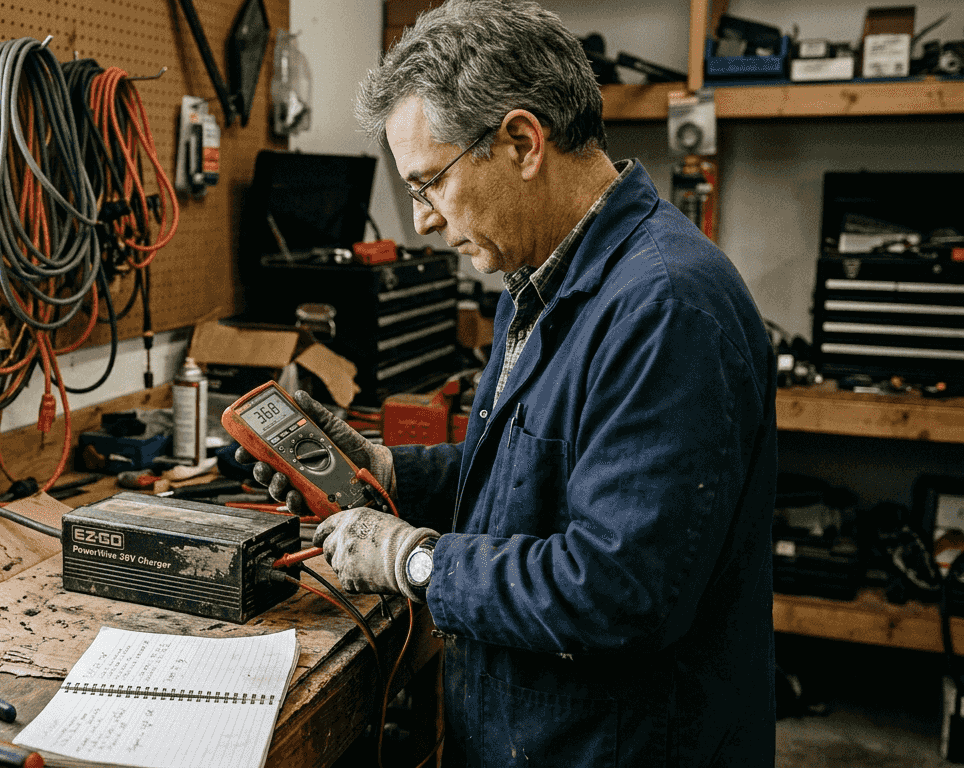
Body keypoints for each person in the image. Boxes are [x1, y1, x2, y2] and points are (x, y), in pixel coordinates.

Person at [239, 1, 778, 765]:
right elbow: (538, 472)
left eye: (429, 184)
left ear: (523, 141)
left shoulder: (665, 307)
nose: (421, 220)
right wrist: (394, 472)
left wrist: (414, 559)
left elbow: (618, 590)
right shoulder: (542, 279)